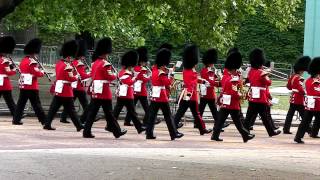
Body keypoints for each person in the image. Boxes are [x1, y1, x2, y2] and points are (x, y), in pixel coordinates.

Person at [83, 37, 127, 138]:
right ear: (105, 52)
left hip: (96, 89)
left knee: (93, 113)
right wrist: (117, 76)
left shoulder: (95, 63)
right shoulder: (105, 64)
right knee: (109, 114)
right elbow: (109, 77)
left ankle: (86, 132)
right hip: (104, 91)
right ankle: (117, 132)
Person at [211, 51, 255, 142]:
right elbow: (234, 92)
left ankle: (215, 135)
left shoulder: (226, 77)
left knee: (221, 120)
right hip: (232, 103)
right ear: (235, 69)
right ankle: (245, 135)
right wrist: (241, 95)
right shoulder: (234, 79)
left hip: (225, 102)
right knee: (238, 122)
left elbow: (224, 89)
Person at [43, 40, 83, 131]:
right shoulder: (68, 66)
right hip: (66, 90)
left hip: (59, 88)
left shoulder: (59, 64)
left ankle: (47, 123)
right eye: (71, 58)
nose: (72, 59)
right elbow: (71, 79)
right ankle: (79, 126)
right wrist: (77, 76)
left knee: (53, 109)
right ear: (69, 56)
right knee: (72, 110)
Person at [146, 48, 184, 140]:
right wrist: (171, 74)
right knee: (168, 117)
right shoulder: (161, 73)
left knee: (152, 116)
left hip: (155, 96)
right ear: (163, 64)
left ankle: (149, 133)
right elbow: (168, 83)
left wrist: (167, 71)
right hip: (162, 97)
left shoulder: (154, 71)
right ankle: (173, 133)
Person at [174, 44, 212, 135]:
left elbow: (193, 80)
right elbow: (190, 84)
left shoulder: (188, 70)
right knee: (184, 113)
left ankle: (202, 129)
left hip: (189, 95)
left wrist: (202, 81)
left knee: (195, 113)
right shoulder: (190, 71)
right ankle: (173, 128)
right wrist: (189, 95)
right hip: (189, 95)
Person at [244, 48, 281, 137]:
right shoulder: (261, 73)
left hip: (253, 96)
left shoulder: (251, 71)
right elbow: (268, 82)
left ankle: (245, 131)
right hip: (261, 98)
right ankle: (271, 132)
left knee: (249, 116)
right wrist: (267, 74)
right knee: (265, 117)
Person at [12, 38, 47, 126]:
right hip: (31, 86)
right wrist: (42, 72)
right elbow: (37, 73)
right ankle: (44, 120)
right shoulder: (32, 62)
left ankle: (16, 119)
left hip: (24, 85)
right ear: (34, 52)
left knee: (21, 104)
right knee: (36, 104)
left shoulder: (23, 61)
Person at [112, 50, 146, 134]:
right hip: (126, 94)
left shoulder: (123, 72)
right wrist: (136, 77)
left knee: (120, 111)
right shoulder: (126, 73)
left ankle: (139, 127)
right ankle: (139, 127)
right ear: (130, 64)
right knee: (131, 112)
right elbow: (129, 82)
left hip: (124, 94)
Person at [60, 39, 91, 124]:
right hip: (79, 86)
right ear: (81, 55)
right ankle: (89, 117)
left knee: (70, 104)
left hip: (73, 86)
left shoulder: (73, 62)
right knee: (85, 104)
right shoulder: (79, 63)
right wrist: (90, 73)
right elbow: (82, 76)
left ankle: (63, 117)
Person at [294, 57, 320, 143]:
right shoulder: (315, 81)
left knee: (306, 121)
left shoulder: (309, 80)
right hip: (316, 104)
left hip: (310, 104)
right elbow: (317, 92)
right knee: (307, 121)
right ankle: (312, 133)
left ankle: (300, 136)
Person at [283, 56, 311, 134]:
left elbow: (288, 87)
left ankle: (286, 129)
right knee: (304, 116)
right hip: (298, 99)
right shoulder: (299, 78)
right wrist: (305, 93)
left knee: (290, 115)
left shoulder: (292, 76)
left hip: (293, 98)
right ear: (301, 70)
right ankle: (309, 130)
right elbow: (300, 88)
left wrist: (294, 89)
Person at [123, 46, 150, 126]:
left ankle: (127, 121)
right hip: (141, 91)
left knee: (132, 108)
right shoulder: (143, 69)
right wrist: (149, 76)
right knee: (147, 108)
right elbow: (144, 79)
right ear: (142, 61)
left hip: (134, 90)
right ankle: (147, 121)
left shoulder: (134, 68)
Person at [199, 48, 220, 126]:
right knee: (212, 110)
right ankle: (219, 123)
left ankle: (196, 123)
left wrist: (217, 78)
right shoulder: (206, 71)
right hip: (207, 93)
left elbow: (213, 80)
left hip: (208, 93)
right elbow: (210, 82)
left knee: (202, 109)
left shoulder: (210, 71)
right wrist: (218, 83)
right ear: (209, 62)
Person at [0, 36, 17, 117]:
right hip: (4, 84)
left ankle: (16, 114)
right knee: (10, 101)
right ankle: (16, 115)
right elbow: (9, 72)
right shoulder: (5, 61)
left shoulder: (4, 60)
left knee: (9, 100)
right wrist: (15, 70)